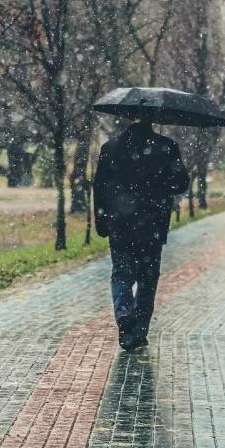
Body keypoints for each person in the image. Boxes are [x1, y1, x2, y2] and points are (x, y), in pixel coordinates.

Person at [92, 117, 190, 351]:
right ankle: (139, 330)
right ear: (152, 119)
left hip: (120, 224)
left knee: (121, 274)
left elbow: (99, 187)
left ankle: (124, 314)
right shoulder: (166, 147)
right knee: (148, 278)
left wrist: (101, 220)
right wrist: (163, 180)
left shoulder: (111, 147)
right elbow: (181, 183)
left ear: (129, 118)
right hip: (152, 226)